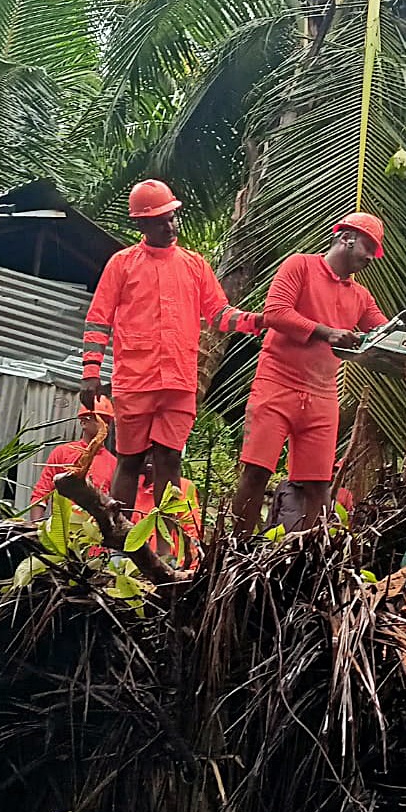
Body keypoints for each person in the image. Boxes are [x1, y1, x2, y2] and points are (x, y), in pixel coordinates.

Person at [81, 179, 261, 556]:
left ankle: (166, 549)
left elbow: (219, 313)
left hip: (179, 379)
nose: (170, 226)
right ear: (142, 226)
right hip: (135, 378)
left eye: (172, 217)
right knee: (129, 461)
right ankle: (120, 548)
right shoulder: (122, 264)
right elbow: (98, 319)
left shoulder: (194, 265)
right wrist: (91, 372)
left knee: (169, 459)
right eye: (160, 220)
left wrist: (257, 320)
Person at [231, 212, 406, 534]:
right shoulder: (300, 266)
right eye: (369, 247)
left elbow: (383, 333)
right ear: (347, 238)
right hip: (277, 382)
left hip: (322, 393)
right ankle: (235, 550)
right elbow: (276, 313)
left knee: (318, 485)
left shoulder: (360, 296)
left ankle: (307, 561)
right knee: (256, 472)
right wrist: (326, 332)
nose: (371, 258)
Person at [28, 397, 117, 519]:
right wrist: (36, 528)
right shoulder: (62, 452)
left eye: (108, 421)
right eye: (99, 419)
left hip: (95, 533)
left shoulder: (113, 463)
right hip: (62, 531)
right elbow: (41, 493)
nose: (104, 425)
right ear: (83, 422)